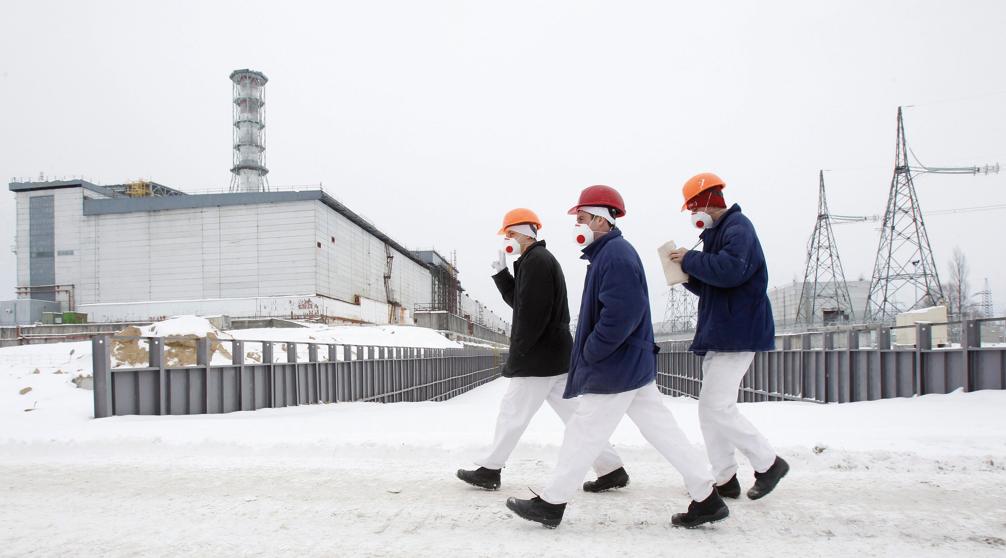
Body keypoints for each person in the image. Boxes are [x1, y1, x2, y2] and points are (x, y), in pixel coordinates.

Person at [505, 187, 727, 529]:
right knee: (662, 430)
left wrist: (592, 350)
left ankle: (552, 503)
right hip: (629, 363)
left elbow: (621, 314)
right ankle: (707, 497)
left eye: (581, 218)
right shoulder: (608, 254)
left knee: (582, 431)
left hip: (616, 365)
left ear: (600, 219)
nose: (576, 225)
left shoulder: (615, 255)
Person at [457, 208, 629, 493]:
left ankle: (490, 470)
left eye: (510, 233)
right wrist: (502, 275)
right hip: (553, 354)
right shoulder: (533, 260)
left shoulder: (536, 261)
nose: (507, 240)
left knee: (512, 412)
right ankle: (612, 469)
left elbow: (532, 314)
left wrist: (519, 354)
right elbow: (523, 303)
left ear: (525, 232)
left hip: (539, 356)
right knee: (576, 418)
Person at [668, 172, 789, 501]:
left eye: (693, 208)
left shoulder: (738, 228)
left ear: (707, 203)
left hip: (738, 332)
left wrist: (691, 259)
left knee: (717, 407)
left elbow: (731, 269)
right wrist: (684, 274)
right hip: (722, 333)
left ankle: (768, 463)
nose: (692, 216)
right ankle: (724, 478)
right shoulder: (716, 234)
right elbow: (714, 284)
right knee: (709, 409)